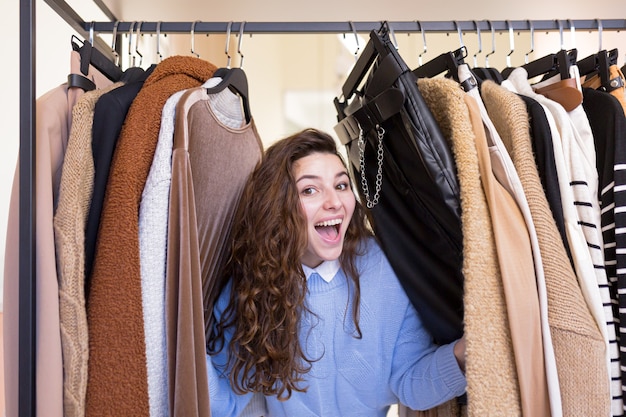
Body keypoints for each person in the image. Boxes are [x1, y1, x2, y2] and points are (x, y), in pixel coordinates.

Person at [206, 128, 467, 416]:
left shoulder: (387, 267)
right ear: (277, 206)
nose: (334, 202)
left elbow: (410, 382)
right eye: (310, 190)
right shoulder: (252, 284)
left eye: (341, 185)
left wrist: (463, 355)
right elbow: (224, 402)